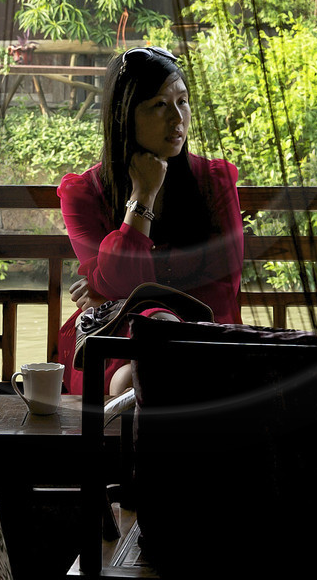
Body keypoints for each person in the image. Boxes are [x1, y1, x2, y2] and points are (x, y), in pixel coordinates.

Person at [56, 46, 245, 396]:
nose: (177, 118)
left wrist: (115, 293)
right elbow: (122, 279)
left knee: (157, 364)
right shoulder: (84, 194)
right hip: (114, 334)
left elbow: (223, 284)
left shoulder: (213, 181)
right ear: (123, 115)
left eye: (183, 101)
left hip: (203, 332)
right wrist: (142, 196)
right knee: (135, 374)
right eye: (159, 105)